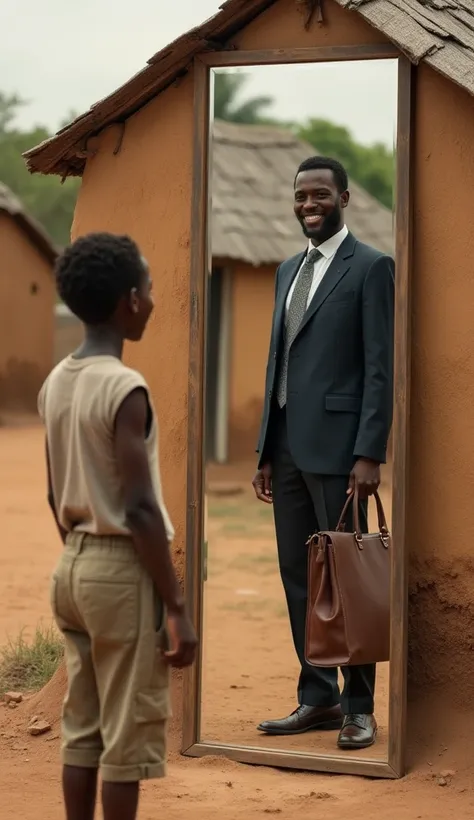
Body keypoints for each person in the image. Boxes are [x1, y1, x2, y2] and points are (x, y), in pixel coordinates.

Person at [37, 233, 197, 820]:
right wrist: (175, 605)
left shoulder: (57, 380)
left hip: (72, 565)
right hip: (119, 570)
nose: (154, 300)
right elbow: (140, 508)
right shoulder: (124, 386)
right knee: (127, 740)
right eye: (150, 289)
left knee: (84, 727)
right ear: (130, 300)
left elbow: (55, 491)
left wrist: (81, 554)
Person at [252, 156, 394, 751]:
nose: (309, 205)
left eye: (320, 196)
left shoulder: (370, 268)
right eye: (301, 197)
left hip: (340, 454)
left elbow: (379, 368)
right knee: (296, 576)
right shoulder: (288, 269)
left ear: (343, 198)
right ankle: (318, 696)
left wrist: (369, 452)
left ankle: (360, 708)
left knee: (347, 577)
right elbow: (280, 361)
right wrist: (265, 448)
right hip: (284, 448)